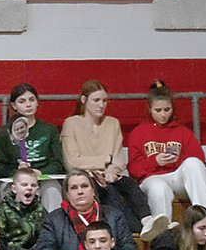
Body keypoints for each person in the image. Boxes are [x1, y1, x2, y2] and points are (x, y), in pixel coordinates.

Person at [126, 80, 206, 239]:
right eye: (158, 110)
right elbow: (133, 169)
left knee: (193, 163)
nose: (163, 114)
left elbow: (199, 160)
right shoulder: (138, 133)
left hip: (177, 176)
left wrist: (177, 160)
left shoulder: (182, 132)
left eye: (167, 109)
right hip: (151, 178)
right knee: (158, 187)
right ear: (149, 109)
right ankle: (163, 232)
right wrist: (155, 161)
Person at [61, 79, 150, 225]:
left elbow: (118, 159)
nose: (101, 105)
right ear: (84, 100)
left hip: (111, 175)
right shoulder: (71, 123)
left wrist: (111, 170)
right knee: (111, 194)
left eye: (104, 100)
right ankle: (129, 229)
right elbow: (72, 161)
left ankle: (147, 221)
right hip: (87, 177)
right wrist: (106, 160)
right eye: (96, 100)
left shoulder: (112, 123)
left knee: (130, 186)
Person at [0, 82, 66, 212]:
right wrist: (19, 174)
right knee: (12, 191)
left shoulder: (49, 130)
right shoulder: (3, 133)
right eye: (22, 101)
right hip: (15, 181)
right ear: (14, 105)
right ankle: (19, 230)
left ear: (37, 102)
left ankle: (53, 229)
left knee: (52, 191)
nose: (28, 104)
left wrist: (40, 173)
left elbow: (58, 163)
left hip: (44, 178)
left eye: (32, 99)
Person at [0, 168, 48, 250]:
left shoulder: (40, 210)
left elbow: (45, 236)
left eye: (33, 185)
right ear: (14, 189)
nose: (29, 188)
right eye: (24, 185)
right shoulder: (3, 211)